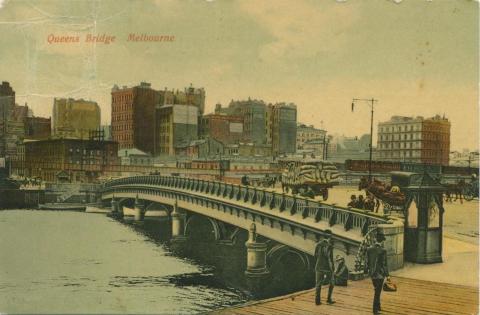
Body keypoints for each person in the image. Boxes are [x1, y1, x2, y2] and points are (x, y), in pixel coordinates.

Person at [365, 231, 389, 315]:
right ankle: (375, 310)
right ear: (382, 241)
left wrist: (366, 270)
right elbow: (384, 264)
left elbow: (366, 261)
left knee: (376, 289)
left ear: (375, 240)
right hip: (380, 274)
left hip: (372, 274)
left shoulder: (369, 249)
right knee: (377, 292)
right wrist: (387, 275)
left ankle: (378, 306)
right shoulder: (383, 250)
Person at [314, 229, 335, 305]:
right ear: (330, 237)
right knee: (332, 283)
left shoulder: (318, 244)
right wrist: (332, 268)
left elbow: (315, 256)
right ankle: (329, 299)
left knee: (318, 284)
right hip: (327, 268)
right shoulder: (330, 246)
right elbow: (330, 259)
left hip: (318, 267)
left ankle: (317, 301)